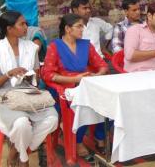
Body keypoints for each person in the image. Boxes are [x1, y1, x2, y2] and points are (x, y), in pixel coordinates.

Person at [0, 11, 58, 166]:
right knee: (21, 123)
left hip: (29, 94)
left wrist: (29, 77)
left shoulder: (31, 48)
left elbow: (37, 81)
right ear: (9, 29)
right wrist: (9, 74)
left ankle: (16, 151)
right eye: (22, 24)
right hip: (5, 96)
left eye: (25, 23)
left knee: (52, 119)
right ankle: (24, 159)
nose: (26, 26)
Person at [42, 13, 108, 160]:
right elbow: (47, 74)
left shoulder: (86, 45)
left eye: (82, 27)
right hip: (63, 89)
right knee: (83, 104)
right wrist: (72, 79)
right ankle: (77, 141)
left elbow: (102, 65)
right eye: (79, 26)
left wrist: (97, 76)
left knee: (109, 103)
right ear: (67, 29)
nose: (82, 30)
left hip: (85, 85)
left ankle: (99, 135)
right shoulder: (55, 46)